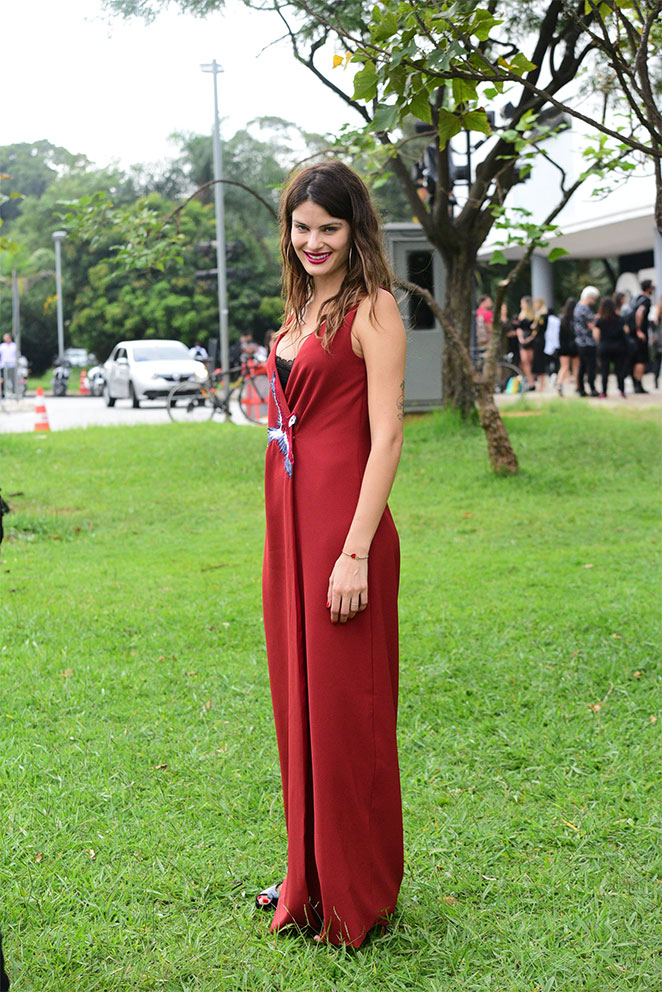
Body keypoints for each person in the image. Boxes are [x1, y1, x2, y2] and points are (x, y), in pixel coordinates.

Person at [258, 161, 406, 948]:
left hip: (343, 532)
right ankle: (308, 878)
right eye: (302, 227)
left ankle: (357, 892)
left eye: (330, 228)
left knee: (346, 713)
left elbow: (386, 435)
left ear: (356, 231)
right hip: (289, 529)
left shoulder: (374, 308)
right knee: (300, 710)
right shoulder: (301, 301)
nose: (313, 241)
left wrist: (353, 554)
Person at [623, 279, 655, 393]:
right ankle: (638, 385)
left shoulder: (635, 298)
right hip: (639, 334)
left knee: (635, 359)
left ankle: (636, 384)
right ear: (649, 288)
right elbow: (639, 313)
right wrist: (639, 330)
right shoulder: (646, 300)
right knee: (641, 360)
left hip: (631, 335)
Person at [594, 295, 627, 398]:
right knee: (619, 370)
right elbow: (626, 331)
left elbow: (596, 335)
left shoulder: (600, 321)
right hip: (618, 347)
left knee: (605, 371)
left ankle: (604, 392)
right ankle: (621, 391)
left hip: (605, 347)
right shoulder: (620, 319)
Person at [573, 286, 600, 396]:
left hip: (580, 342)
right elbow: (592, 326)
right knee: (590, 367)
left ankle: (580, 388)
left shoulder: (577, 307)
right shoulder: (585, 309)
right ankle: (592, 388)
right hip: (588, 342)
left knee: (582, 366)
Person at [514, 296, 536, 389]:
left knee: (531, 361)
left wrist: (530, 338)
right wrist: (521, 338)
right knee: (524, 361)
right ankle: (530, 382)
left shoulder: (534, 315)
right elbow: (518, 328)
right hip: (522, 340)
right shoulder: (520, 315)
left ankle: (532, 380)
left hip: (531, 339)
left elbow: (535, 329)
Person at [0, 333, 17, 398]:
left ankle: (14, 392)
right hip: (3, 365)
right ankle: (3, 393)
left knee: (13, 379)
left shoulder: (14, 346)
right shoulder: (2, 346)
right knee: (2, 380)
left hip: (12, 365)